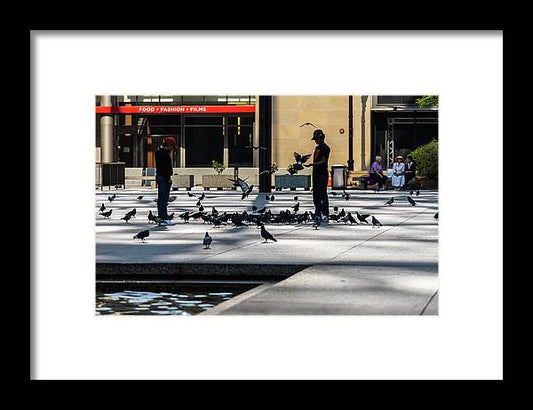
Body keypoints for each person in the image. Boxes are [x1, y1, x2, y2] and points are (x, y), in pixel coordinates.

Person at [304, 129, 330, 221]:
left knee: (322, 193)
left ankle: (325, 213)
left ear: (322, 138)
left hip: (322, 173)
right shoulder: (317, 148)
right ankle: (317, 212)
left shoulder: (325, 148)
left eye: (317, 139)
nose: (315, 141)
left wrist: (312, 164)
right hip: (316, 173)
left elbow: (324, 161)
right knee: (316, 195)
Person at [154, 137, 177, 225]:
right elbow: (165, 168)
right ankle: (163, 217)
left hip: (161, 176)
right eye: (172, 147)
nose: (172, 149)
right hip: (164, 177)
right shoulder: (164, 154)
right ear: (169, 145)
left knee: (161, 198)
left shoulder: (159, 153)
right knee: (164, 198)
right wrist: (168, 178)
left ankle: (162, 216)